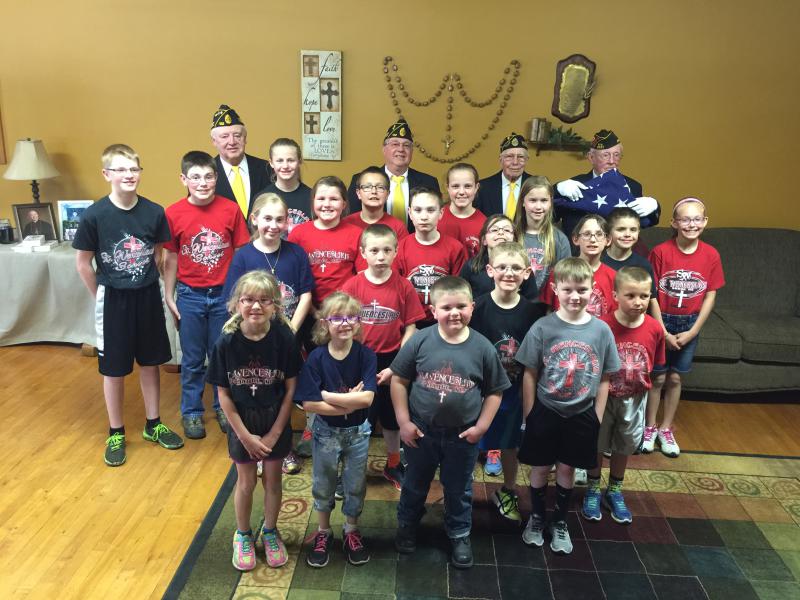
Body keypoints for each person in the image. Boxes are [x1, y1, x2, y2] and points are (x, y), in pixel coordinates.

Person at [73, 144, 183, 466]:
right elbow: (83, 264)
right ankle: (116, 431)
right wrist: (102, 296)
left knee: (151, 363)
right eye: (120, 169)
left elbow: (162, 253)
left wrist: (161, 289)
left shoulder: (153, 211)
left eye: (133, 169)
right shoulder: (95, 215)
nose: (128, 175)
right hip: (113, 299)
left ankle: (153, 424)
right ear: (107, 174)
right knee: (115, 368)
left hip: (147, 295)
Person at [391, 276, 510, 569]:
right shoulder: (420, 339)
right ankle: (407, 524)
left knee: (458, 488)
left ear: (472, 307)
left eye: (461, 306)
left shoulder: (482, 347)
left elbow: (495, 392)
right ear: (433, 310)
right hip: (421, 432)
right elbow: (398, 380)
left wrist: (482, 427)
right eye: (446, 307)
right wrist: (403, 422)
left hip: (463, 436)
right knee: (414, 484)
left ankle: (459, 533)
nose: (454, 313)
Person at [516, 258, 620, 554]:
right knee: (539, 468)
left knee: (566, 469)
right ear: (555, 290)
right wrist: (529, 415)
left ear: (593, 289)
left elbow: (604, 378)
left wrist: (596, 417)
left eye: (582, 289)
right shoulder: (542, 327)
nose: (575, 296)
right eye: (568, 289)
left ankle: (559, 521)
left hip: (581, 413)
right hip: (545, 410)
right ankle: (536, 518)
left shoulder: (601, 331)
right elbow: (530, 373)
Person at [206, 271, 301, 570]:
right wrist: (245, 436)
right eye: (248, 300)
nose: (256, 306)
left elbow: (290, 390)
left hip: (276, 418)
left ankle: (270, 532)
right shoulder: (226, 342)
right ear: (236, 304)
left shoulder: (284, 338)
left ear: (275, 305)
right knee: (245, 482)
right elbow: (223, 394)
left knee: (273, 480)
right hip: (241, 422)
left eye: (264, 300)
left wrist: (274, 435)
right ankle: (243, 534)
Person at [221, 192, 314, 475]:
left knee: (284, 394)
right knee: (258, 395)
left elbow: (306, 294)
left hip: (287, 338)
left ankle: (281, 449)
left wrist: (289, 331)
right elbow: (236, 301)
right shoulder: (243, 256)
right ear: (255, 219)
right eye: (268, 218)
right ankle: (256, 449)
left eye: (280, 219)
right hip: (255, 341)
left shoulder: (296, 252)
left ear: (288, 222)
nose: (274, 225)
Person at [162, 151, 251, 440]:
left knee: (222, 355)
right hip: (190, 294)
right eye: (196, 177)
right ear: (184, 179)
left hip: (224, 295)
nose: (203, 183)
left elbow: (240, 253)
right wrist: (169, 293)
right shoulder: (173, 213)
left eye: (209, 176)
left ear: (216, 178)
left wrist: (239, 295)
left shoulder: (230, 209)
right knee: (191, 358)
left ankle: (223, 408)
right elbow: (171, 257)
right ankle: (192, 412)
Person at [294, 292, 377, 568]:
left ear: (358, 322)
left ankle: (351, 529)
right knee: (323, 483)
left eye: (351, 317)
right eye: (337, 318)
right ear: (325, 323)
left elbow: (366, 399)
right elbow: (308, 404)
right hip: (325, 433)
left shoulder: (366, 355)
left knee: (355, 485)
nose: (345, 323)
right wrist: (346, 404)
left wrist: (328, 396)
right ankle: (324, 531)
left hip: (358, 433)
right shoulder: (316, 358)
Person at [342, 224, 427, 490]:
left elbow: (411, 327)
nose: (380, 256)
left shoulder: (404, 286)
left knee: (391, 418)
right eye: (374, 250)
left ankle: (393, 463)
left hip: (393, 361)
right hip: (359, 361)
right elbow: (340, 325)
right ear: (363, 252)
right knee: (357, 419)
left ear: (395, 252)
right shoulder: (352, 285)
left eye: (386, 250)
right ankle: (351, 470)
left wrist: (397, 364)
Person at [582, 267, 665, 524]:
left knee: (623, 446)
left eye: (643, 296)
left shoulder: (654, 329)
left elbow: (656, 366)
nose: (637, 302)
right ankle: (593, 488)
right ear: (615, 295)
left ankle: (615, 490)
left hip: (634, 399)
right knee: (597, 443)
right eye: (630, 295)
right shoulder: (601, 326)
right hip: (603, 397)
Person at [644, 197, 724, 457]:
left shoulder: (711, 254)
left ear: (705, 222)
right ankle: (649, 426)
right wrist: (663, 331)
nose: (691, 224)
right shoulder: (660, 252)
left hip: (690, 323)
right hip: (661, 320)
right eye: (685, 219)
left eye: (697, 219)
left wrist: (693, 331)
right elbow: (652, 294)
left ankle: (666, 429)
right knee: (656, 377)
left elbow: (710, 294)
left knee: (675, 377)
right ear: (674, 223)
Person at [469, 242, 542, 522]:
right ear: (490, 270)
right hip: (479, 390)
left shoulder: (532, 313)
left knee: (510, 445)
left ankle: (508, 490)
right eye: (501, 267)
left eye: (515, 268)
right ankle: (464, 490)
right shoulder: (478, 307)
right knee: (472, 440)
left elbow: (534, 359)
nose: (508, 273)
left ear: (526, 273)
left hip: (514, 390)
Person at [554, 129, 659, 251]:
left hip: (618, 256)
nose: (612, 161)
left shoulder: (633, 186)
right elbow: (551, 215)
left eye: (616, 155)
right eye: (605, 155)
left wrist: (655, 206)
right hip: (578, 256)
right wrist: (556, 189)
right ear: (591, 157)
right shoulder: (574, 185)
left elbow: (646, 222)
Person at [347, 118, 440, 232]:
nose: (401, 149)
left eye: (406, 145)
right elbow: (352, 219)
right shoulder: (361, 180)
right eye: (395, 144)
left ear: (411, 152)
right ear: (384, 149)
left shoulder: (429, 182)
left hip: (416, 246)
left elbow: (436, 221)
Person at [395, 187, 467, 326]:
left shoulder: (455, 248)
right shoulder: (399, 248)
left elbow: (459, 291)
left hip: (444, 321)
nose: (424, 216)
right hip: (410, 322)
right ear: (409, 213)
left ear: (441, 213)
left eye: (430, 210)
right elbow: (396, 292)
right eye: (417, 210)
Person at [288, 176, 361, 309]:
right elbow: (292, 276)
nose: (327, 204)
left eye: (334, 199)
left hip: (345, 310)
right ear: (313, 202)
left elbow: (362, 278)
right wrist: (312, 311)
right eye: (321, 199)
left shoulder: (357, 234)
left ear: (344, 204)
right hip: (306, 309)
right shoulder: (298, 234)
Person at [541, 214, 618, 319]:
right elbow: (548, 311)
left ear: (608, 240)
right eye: (587, 234)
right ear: (576, 239)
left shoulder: (614, 277)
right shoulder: (559, 272)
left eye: (599, 234)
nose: (593, 240)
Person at [210, 104, 273, 218]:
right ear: (214, 141)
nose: (232, 142)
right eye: (224, 136)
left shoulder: (266, 168)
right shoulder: (206, 172)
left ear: (245, 138)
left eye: (237, 135)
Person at [513, 176, 571, 299]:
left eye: (544, 200)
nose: (538, 207)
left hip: (547, 308)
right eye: (533, 200)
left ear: (551, 202)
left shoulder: (560, 239)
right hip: (515, 304)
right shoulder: (512, 235)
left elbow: (565, 280)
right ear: (523, 202)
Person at [459, 214, 537, 303]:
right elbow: (460, 298)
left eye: (507, 230)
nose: (500, 233)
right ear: (484, 240)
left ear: (514, 239)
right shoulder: (471, 266)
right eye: (494, 230)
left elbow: (532, 300)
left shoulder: (522, 266)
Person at [343, 166, 408, 271]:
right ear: (358, 193)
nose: (374, 191)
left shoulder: (398, 227)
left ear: (388, 194)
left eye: (380, 187)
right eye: (367, 187)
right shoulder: (346, 224)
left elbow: (402, 265)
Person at [253, 138, 312, 235]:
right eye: (279, 160)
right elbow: (255, 236)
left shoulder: (313, 197)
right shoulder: (261, 198)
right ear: (271, 163)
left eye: (291, 160)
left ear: (299, 161)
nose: (285, 166)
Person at [474, 133, 532, 219]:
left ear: (526, 160)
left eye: (520, 157)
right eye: (509, 157)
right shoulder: (483, 188)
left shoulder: (536, 186)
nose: (515, 162)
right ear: (501, 160)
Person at [438, 162, 486, 257]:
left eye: (467, 186)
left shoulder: (484, 223)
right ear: (447, 187)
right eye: (455, 186)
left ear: (476, 187)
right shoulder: (436, 218)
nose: (461, 192)